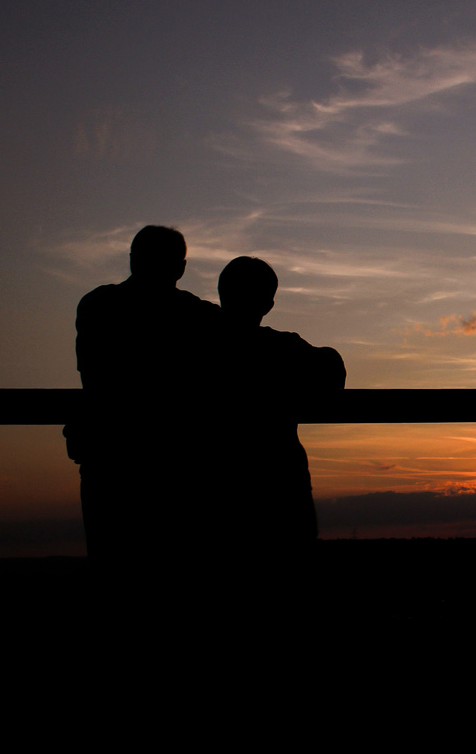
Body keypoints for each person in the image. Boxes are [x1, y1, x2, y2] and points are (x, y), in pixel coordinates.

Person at [64, 225, 221, 563]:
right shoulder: (198, 316)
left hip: (110, 460)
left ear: (133, 261)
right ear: (181, 268)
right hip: (178, 468)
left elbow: (95, 378)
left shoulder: (98, 305)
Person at [210, 256, 344, 557]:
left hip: (212, 493)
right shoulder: (283, 349)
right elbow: (333, 370)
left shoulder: (189, 351)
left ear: (221, 293)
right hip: (281, 489)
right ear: (268, 305)